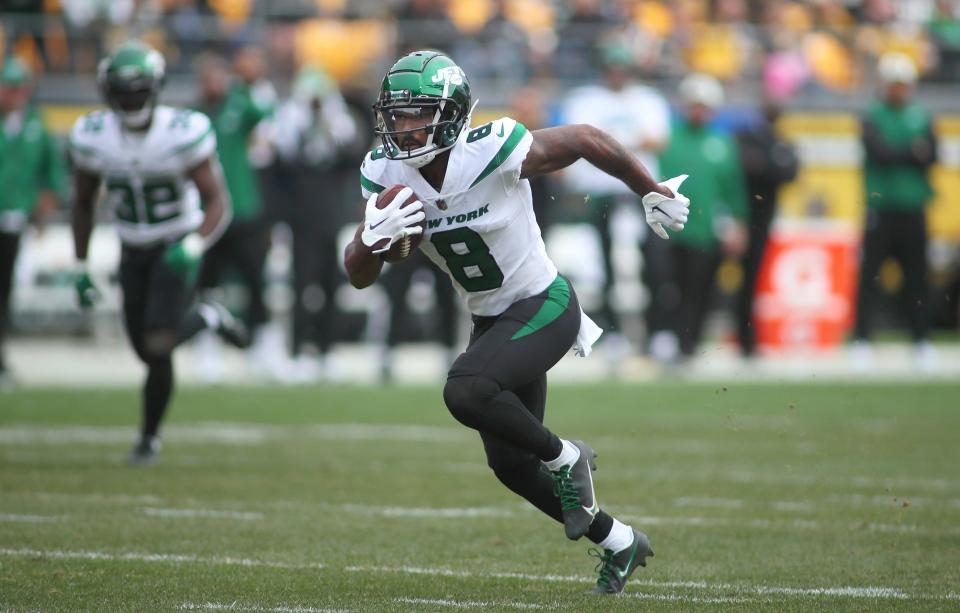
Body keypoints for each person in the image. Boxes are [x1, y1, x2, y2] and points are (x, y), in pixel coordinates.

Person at [344, 51, 691, 594]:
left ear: (453, 114)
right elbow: (358, 274)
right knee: (509, 464)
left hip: (543, 304)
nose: (404, 128)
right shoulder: (383, 174)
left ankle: (566, 456)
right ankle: (620, 541)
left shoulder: (492, 148)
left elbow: (581, 138)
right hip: (491, 321)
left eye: (418, 114)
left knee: (465, 390)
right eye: (397, 115)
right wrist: (371, 237)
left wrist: (648, 187)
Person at [69, 41, 248, 464]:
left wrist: (193, 243)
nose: (132, 99)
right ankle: (206, 317)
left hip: (175, 244)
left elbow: (217, 202)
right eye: (123, 90)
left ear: (158, 88)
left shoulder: (183, 131)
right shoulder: (93, 137)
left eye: (139, 89)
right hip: (132, 247)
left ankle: (148, 438)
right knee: (144, 350)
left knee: (159, 342)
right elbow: (81, 202)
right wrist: (81, 264)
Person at [560, 45, 671, 370]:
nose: (618, 74)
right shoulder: (586, 99)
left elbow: (657, 140)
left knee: (653, 263)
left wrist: (610, 145)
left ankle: (657, 333)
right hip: (598, 194)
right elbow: (580, 144)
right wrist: (624, 143)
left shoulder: (647, 99)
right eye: (613, 68)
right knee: (602, 268)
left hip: (640, 193)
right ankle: (612, 334)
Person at [272, 66, 358, 380]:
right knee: (301, 285)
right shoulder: (290, 119)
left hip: (330, 216)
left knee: (330, 285)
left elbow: (348, 151)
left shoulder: (338, 120)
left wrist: (326, 121)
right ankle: (297, 351)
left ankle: (327, 349)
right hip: (300, 217)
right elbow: (286, 156)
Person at [853, 53, 939, 369]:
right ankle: (862, 339)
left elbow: (932, 155)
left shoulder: (920, 116)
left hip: (913, 204)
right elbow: (881, 153)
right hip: (881, 205)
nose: (899, 90)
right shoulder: (873, 116)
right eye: (894, 84)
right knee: (870, 276)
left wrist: (905, 152)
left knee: (917, 277)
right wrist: (911, 151)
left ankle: (921, 340)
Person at [194, 50, 276, 375]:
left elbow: (264, 112)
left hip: (242, 209)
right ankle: (208, 348)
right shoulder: (196, 116)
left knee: (256, 281)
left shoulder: (237, 104)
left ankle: (262, 348)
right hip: (208, 214)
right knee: (208, 284)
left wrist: (245, 83)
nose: (215, 84)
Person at [657, 74, 748, 362]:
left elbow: (733, 188)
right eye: (694, 105)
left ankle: (690, 344)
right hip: (668, 230)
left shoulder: (722, 143)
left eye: (703, 106)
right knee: (668, 288)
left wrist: (738, 223)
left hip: (705, 230)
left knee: (701, 290)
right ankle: (665, 340)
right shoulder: (669, 139)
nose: (698, 111)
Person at [0, 57, 65, 386]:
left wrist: (44, 209)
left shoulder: (36, 125)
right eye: (8, 88)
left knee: (4, 290)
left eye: (18, 88)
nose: (13, 95)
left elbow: (52, 174)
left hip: (14, 218)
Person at [734, 101, 798, 359]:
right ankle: (691, 340)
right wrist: (768, 166)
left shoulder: (779, 142)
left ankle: (747, 341)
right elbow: (747, 166)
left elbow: (789, 172)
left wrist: (764, 166)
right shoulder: (748, 138)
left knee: (751, 281)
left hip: (761, 222)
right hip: (739, 216)